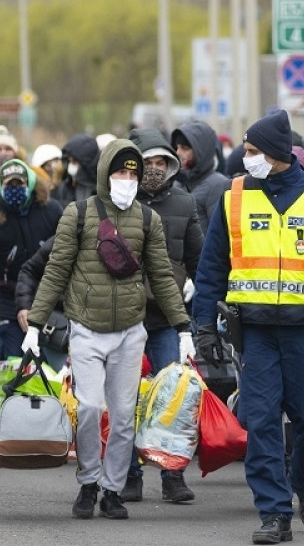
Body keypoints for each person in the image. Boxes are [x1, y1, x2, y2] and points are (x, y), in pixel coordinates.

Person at [191, 110, 304, 544]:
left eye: (252, 152)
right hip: (256, 333)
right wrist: (205, 329)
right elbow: (211, 267)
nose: (245, 159)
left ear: (275, 154)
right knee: (263, 422)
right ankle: (273, 513)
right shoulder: (234, 198)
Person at [26, 139, 190, 521]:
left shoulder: (149, 220)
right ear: (104, 174)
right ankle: (88, 482)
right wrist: (35, 323)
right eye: (120, 171)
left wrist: (183, 327)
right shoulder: (78, 214)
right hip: (85, 328)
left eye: (133, 173)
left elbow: (163, 276)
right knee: (89, 409)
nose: (127, 179)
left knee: (122, 416)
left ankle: (112, 490)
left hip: (130, 331)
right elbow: (56, 270)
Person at [124, 126, 205, 503]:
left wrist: (193, 286)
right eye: (147, 162)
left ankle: (173, 475)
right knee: (124, 397)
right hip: (122, 316)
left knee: (173, 398)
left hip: (165, 318)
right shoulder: (114, 202)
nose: (155, 169)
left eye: (161, 162)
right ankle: (128, 474)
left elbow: (199, 259)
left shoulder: (184, 205)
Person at [0, 159, 63, 357]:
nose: (15, 188)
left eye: (20, 183)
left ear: (30, 184)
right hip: (7, 300)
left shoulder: (52, 211)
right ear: (0, 186)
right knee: (14, 363)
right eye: (10, 184)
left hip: (48, 300)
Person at [171, 120, 230, 232]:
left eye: (185, 148)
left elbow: (219, 234)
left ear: (201, 152)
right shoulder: (178, 181)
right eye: (177, 147)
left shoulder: (217, 185)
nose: (178, 153)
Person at [53, 134, 100, 208]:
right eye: (69, 161)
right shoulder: (64, 188)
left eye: (74, 162)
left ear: (87, 164)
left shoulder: (99, 192)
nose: (71, 165)